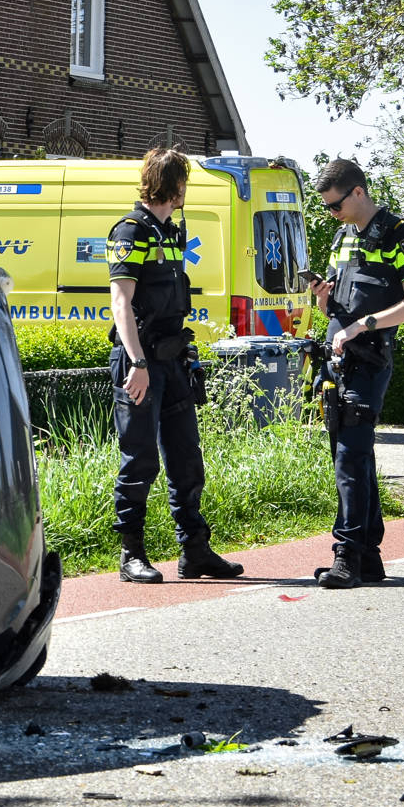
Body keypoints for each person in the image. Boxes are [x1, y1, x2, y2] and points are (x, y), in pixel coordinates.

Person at [106, 148, 243, 583]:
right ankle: (132, 555)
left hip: (173, 361)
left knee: (186, 459)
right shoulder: (131, 231)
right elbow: (120, 303)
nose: (186, 189)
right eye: (184, 181)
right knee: (140, 459)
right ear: (173, 184)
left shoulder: (170, 232)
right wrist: (138, 362)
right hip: (141, 362)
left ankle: (195, 552)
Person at [306, 159, 404, 588]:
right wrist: (324, 298)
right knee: (351, 453)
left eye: (335, 206)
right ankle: (368, 557)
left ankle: (347, 553)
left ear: (358, 192)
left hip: (370, 356)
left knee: (351, 455)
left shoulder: (398, 234)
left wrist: (363, 325)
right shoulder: (343, 236)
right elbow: (337, 305)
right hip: (338, 359)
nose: (332, 214)